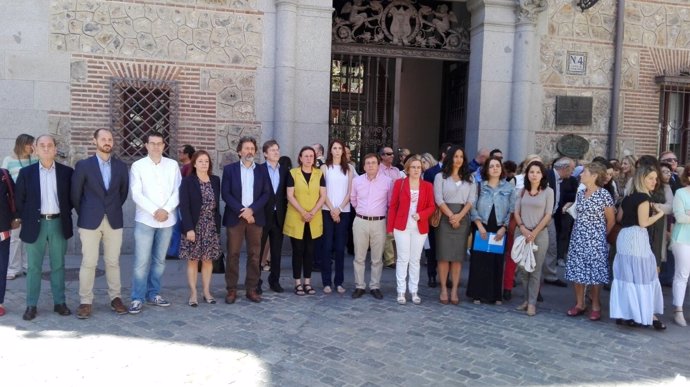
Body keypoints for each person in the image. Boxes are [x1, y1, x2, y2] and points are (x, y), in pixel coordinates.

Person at [71, 128, 130, 318]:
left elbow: (123, 193)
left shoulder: (121, 167)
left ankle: (116, 298)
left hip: (113, 219)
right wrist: (87, 212)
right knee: (89, 262)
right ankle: (85, 301)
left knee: (113, 262)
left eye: (110, 139)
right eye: (103, 139)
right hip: (89, 220)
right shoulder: (83, 165)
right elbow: (75, 195)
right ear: (94, 141)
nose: (107, 142)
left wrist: (109, 209)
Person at [15, 134, 74, 321]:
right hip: (35, 224)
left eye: (50, 145)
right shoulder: (27, 173)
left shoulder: (67, 172)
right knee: (33, 268)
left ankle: (60, 302)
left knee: (59, 265)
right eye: (42, 145)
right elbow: (19, 200)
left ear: (55, 149)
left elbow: (72, 199)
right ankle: (31, 305)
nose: (46, 148)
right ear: (36, 149)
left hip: (58, 223)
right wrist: (27, 217)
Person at [128, 132, 182, 314]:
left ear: (164, 145)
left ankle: (154, 294)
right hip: (145, 220)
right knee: (141, 261)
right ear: (146, 145)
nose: (156, 147)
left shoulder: (173, 165)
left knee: (159, 261)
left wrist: (166, 210)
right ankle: (137, 297)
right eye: (152, 143)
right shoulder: (138, 166)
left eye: (159, 143)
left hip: (167, 221)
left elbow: (177, 191)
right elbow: (136, 194)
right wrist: (154, 211)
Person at [610, 165, 667, 330]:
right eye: (651, 178)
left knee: (627, 276)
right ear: (642, 179)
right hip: (636, 238)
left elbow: (620, 217)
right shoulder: (643, 198)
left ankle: (626, 313)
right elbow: (643, 223)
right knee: (642, 276)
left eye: (655, 179)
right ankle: (645, 314)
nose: (654, 182)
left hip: (625, 237)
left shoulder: (628, 197)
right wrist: (659, 214)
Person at [222, 137, 270, 304]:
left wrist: (252, 210)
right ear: (239, 151)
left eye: (252, 148)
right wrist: (243, 211)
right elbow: (225, 194)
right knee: (233, 254)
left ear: (255, 152)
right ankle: (231, 289)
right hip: (236, 217)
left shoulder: (262, 171)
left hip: (255, 218)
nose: (249, 151)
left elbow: (266, 193)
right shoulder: (229, 170)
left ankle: (252, 288)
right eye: (246, 148)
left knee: (255, 255)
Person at [564, 162, 615, 321]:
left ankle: (595, 305)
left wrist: (600, 236)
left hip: (595, 240)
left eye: (584, 172)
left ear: (594, 176)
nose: (580, 175)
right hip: (578, 237)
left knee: (595, 273)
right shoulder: (580, 193)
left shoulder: (604, 195)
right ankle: (580, 304)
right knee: (577, 271)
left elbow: (611, 220)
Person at [387, 155, 435, 305]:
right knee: (402, 259)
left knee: (415, 260)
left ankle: (413, 290)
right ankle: (401, 290)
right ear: (407, 169)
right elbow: (393, 206)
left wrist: (421, 215)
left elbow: (432, 206)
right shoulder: (400, 184)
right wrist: (390, 228)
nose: (416, 170)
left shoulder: (427, 186)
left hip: (419, 227)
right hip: (401, 226)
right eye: (413, 167)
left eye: (419, 167)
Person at [467, 156, 515, 305]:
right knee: (480, 260)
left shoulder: (508, 187)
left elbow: (512, 210)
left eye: (498, 166)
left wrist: (504, 227)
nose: (495, 168)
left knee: (496, 261)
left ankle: (495, 295)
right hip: (482, 226)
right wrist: (479, 226)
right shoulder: (479, 186)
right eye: (492, 166)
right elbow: (472, 207)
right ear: (486, 169)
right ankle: (477, 294)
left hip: (499, 227)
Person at [178, 150, 221, 307]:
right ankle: (193, 293)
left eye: (206, 161)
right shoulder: (188, 181)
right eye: (201, 161)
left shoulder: (215, 180)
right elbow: (184, 206)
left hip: (210, 225)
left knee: (208, 260)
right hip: (194, 226)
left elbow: (217, 206)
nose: (204, 164)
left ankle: (207, 292)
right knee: (193, 260)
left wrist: (217, 226)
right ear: (194, 163)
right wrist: (189, 228)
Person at [434, 146, 475, 305]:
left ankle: (455, 290)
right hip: (445, 218)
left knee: (458, 257)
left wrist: (459, 216)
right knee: (444, 256)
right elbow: (438, 199)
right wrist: (451, 216)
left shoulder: (470, 178)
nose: (458, 159)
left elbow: (471, 200)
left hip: (462, 218)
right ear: (450, 157)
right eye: (455, 156)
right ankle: (444, 288)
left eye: (461, 157)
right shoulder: (440, 177)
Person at [283, 146, 326, 296]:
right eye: (306, 156)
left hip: (314, 218)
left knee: (310, 251)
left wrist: (312, 212)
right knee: (298, 251)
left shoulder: (319, 173)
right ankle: (297, 283)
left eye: (311, 156)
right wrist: (303, 212)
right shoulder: (293, 173)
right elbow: (290, 195)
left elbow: (323, 195)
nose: (309, 159)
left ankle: (307, 282)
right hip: (297, 217)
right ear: (300, 158)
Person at [513, 161, 554, 316]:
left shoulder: (548, 192)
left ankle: (532, 303)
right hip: (521, 233)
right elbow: (516, 212)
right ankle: (525, 299)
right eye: (531, 172)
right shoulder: (522, 191)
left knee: (535, 270)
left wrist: (534, 232)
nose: (534, 175)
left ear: (542, 174)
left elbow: (548, 214)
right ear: (527, 174)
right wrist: (523, 228)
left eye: (537, 172)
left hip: (539, 234)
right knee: (523, 269)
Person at [350, 153, 392, 299]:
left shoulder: (387, 182)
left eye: (373, 163)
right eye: (368, 163)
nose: (371, 165)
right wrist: (363, 212)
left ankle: (375, 286)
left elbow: (389, 203)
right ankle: (359, 286)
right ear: (364, 166)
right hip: (360, 221)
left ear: (378, 164)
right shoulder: (357, 181)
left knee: (377, 258)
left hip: (379, 222)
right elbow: (353, 200)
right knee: (359, 257)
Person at [2, 133, 37, 280]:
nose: (32, 147)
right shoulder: (8, 160)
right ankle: (14, 268)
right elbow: (3, 179)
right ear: (22, 144)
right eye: (30, 144)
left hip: (32, 204)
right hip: (16, 204)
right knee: (15, 237)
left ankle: (29, 266)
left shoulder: (35, 160)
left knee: (29, 237)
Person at [320, 139, 353, 294]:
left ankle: (338, 282)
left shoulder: (349, 169)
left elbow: (350, 192)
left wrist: (339, 209)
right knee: (326, 247)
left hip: (344, 212)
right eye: (335, 148)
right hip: (327, 211)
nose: (338, 150)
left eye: (340, 148)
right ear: (330, 150)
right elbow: (322, 191)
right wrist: (332, 209)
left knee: (340, 248)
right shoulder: (325, 168)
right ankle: (326, 282)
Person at [258, 140, 288, 293]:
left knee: (276, 251)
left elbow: (285, 194)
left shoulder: (285, 170)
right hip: (263, 216)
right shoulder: (259, 170)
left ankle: (274, 281)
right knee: (258, 250)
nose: (276, 152)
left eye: (277, 149)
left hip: (279, 217)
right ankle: (256, 281)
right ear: (265, 154)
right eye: (272, 150)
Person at [544, 157, 577, 285]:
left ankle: (550, 276)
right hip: (539, 218)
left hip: (550, 218)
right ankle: (518, 276)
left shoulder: (560, 180)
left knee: (552, 247)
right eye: (572, 169)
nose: (573, 172)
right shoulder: (547, 176)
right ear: (565, 168)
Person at [423, 143, 451, 288]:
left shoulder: (455, 173)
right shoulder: (431, 172)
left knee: (448, 247)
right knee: (432, 247)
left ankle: (446, 276)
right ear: (443, 155)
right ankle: (432, 275)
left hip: (450, 215)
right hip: (434, 215)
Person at [167, 144, 196, 260]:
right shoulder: (185, 167)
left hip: (181, 203)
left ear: (187, 154)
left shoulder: (187, 168)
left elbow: (183, 187)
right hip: (180, 202)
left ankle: (174, 252)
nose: (179, 154)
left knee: (176, 228)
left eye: (181, 152)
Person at [670, 163, 690, 326]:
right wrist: (686, 214)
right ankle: (678, 310)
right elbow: (680, 217)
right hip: (682, 238)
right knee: (682, 274)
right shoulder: (680, 193)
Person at [378, 146, 401, 268]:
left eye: (393, 153)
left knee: (395, 232)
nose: (392, 155)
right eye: (389, 154)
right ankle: (390, 259)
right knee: (386, 232)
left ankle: (394, 258)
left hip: (396, 205)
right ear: (382, 156)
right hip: (382, 205)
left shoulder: (396, 170)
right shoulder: (378, 170)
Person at [0, 166, 16, 316]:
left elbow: (13, 195)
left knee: (1, 267)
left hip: (2, 228)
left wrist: (15, 217)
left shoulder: (3, 174)